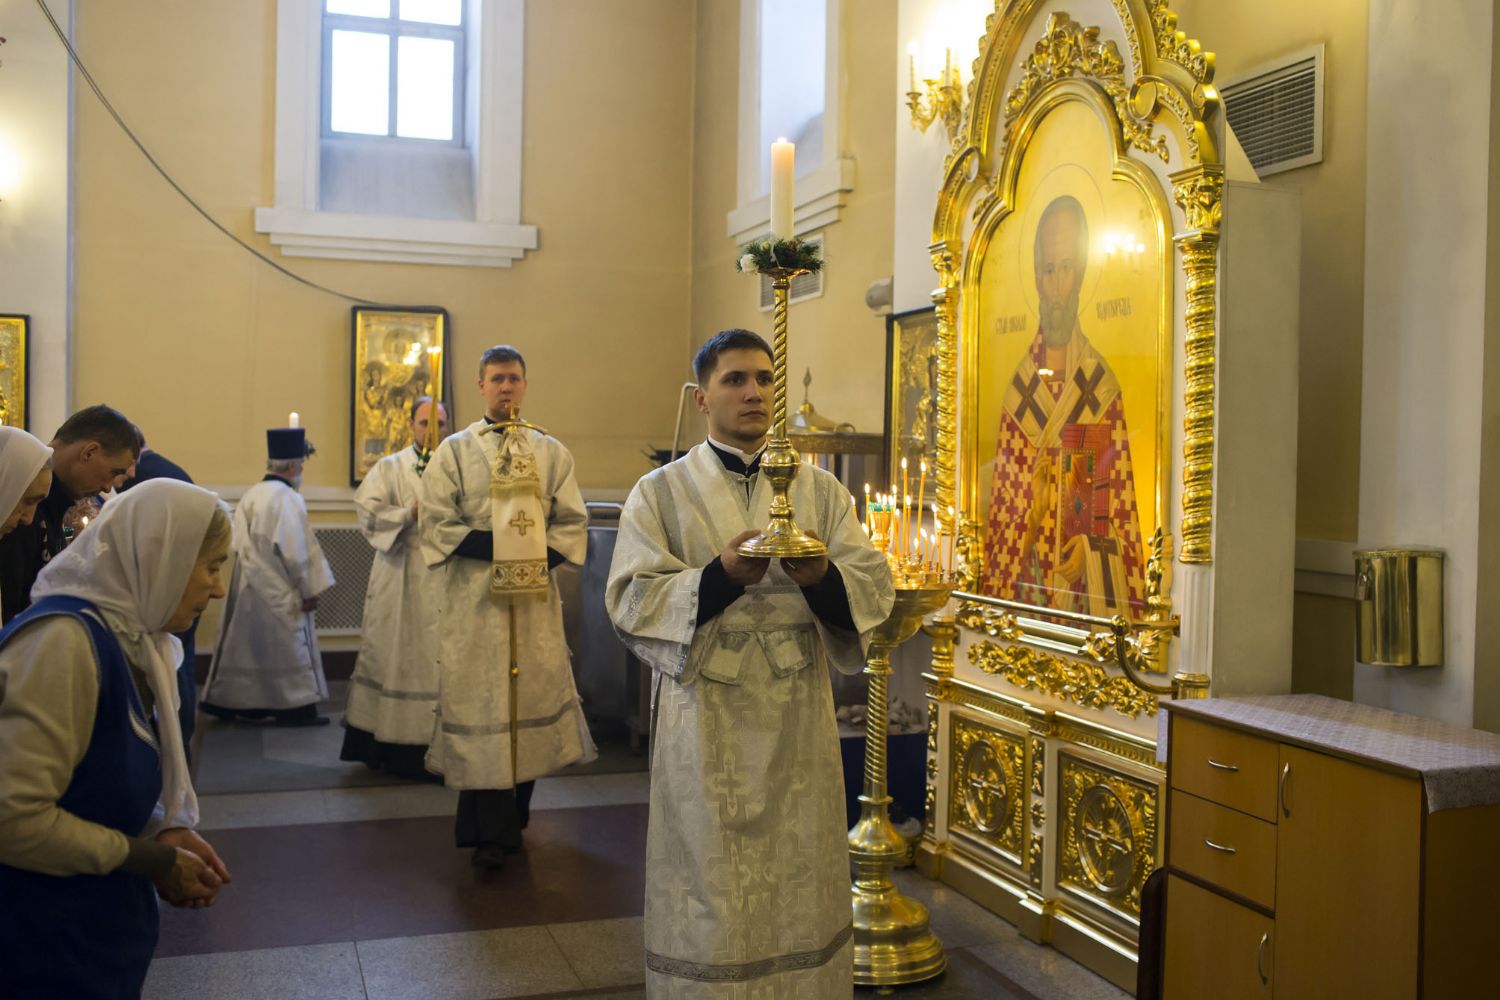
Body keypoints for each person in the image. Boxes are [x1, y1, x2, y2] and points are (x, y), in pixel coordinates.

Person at [606, 329, 894, 998]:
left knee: (799, 872)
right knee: (710, 878)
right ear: (702, 397)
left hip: (797, 720)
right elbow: (630, 597)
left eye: (765, 379)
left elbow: (870, 584)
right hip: (706, 721)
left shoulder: (821, 491)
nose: (754, 392)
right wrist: (719, 578)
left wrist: (822, 578)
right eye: (735, 379)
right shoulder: (660, 492)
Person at [0, 480, 234, 999]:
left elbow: (93, 782)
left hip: (89, 938)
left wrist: (158, 829)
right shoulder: (64, 644)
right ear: (163, 559)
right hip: (39, 943)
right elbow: (13, 820)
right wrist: (150, 859)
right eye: (212, 567)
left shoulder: (130, 639)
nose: (218, 589)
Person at [419, 345, 592, 868]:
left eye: (514, 378)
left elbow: (571, 522)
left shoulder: (551, 452)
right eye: (496, 378)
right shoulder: (453, 451)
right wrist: (504, 549)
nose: (506, 387)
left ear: (525, 384)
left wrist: (532, 558)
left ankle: (512, 819)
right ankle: (490, 834)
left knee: (526, 704)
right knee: (484, 707)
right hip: (476, 606)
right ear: (480, 386)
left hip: (533, 606)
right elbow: (436, 521)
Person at [981, 194, 1147, 616]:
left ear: (1082, 273)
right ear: (1036, 278)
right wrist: (1030, 514)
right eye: (1049, 270)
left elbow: (1124, 522)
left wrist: (1089, 551)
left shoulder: (1100, 389)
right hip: (1027, 600)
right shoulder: (1019, 394)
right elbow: (998, 533)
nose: (1056, 287)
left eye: (1066, 268)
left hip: (1083, 613)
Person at [341, 397, 450, 779]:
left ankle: (439, 747)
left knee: (436, 659)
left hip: (443, 576)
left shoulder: (457, 466)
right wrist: (407, 513)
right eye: (425, 423)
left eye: (440, 423)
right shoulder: (390, 466)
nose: (432, 430)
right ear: (411, 426)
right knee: (395, 654)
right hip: (400, 570)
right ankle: (389, 746)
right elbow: (368, 511)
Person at [201, 426, 335, 727]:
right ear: (292, 465)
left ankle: (242, 703)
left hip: (249, 585)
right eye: (301, 464)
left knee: (248, 648)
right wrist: (308, 589)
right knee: (286, 648)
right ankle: (295, 707)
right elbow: (295, 551)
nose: (302, 470)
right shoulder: (286, 498)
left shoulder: (253, 494)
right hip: (281, 587)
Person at [0, 405, 141, 623]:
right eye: (114, 472)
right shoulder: (17, 503)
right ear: (89, 452)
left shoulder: (58, 506)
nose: (107, 487)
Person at [117, 436, 201, 755]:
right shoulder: (170, 469)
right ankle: (183, 740)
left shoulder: (138, 474)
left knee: (170, 665)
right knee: (181, 660)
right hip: (185, 581)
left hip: (163, 587)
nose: (120, 477)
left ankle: (173, 741)